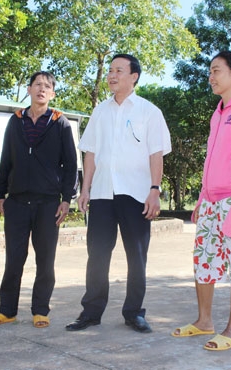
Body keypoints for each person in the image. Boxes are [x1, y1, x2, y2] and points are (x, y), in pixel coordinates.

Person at [65, 54, 171, 334]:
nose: (112, 75)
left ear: (134, 76)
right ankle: (91, 312)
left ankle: (134, 312)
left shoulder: (149, 112)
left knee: (136, 256)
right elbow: (91, 153)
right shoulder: (100, 111)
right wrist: (85, 188)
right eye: (110, 70)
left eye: (118, 70)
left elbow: (156, 154)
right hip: (102, 193)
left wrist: (154, 191)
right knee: (97, 254)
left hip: (136, 194)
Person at [170, 51, 231, 351]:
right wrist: (201, 198)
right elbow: (211, 159)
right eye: (209, 72)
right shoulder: (218, 111)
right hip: (212, 201)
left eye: (216, 71)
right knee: (204, 261)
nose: (210, 77)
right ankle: (204, 321)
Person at [0, 71, 78, 329]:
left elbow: (70, 165)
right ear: (28, 89)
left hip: (48, 204)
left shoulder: (60, 123)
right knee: (14, 259)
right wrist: (0, 194)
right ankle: (7, 311)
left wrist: (66, 199)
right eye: (38, 85)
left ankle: (40, 310)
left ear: (53, 94)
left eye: (47, 86)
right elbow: (6, 159)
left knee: (45, 260)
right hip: (16, 202)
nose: (42, 89)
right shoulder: (16, 121)